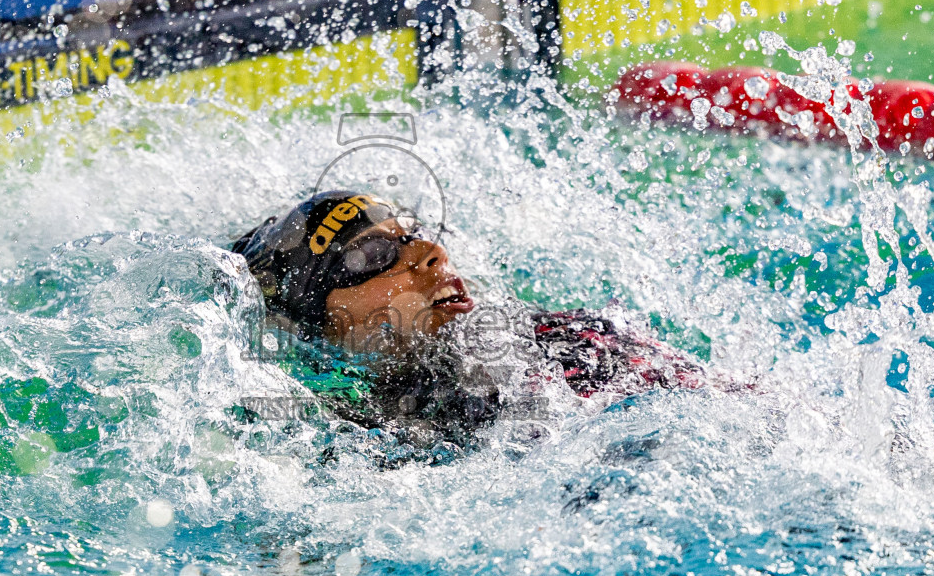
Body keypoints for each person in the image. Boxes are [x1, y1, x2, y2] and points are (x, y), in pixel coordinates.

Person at [230, 190, 731, 457]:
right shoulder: (314, 432)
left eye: (416, 235)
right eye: (374, 254)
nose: (431, 254)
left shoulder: (569, 348)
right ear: (316, 321)